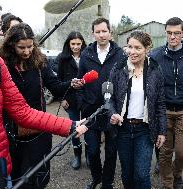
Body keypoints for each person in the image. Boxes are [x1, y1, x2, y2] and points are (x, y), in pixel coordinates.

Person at [0, 1, 87, 189]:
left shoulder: (9, 64)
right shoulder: (2, 64)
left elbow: (32, 103)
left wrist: (71, 87)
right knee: (18, 177)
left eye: (30, 47)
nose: (27, 51)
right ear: (11, 45)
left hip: (37, 130)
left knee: (38, 176)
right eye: (22, 47)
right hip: (12, 135)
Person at [109, 30, 166, 189]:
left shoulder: (155, 69)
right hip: (123, 129)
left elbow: (160, 102)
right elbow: (108, 97)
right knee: (127, 173)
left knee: (141, 174)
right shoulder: (118, 68)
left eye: (137, 48)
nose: (132, 52)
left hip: (145, 130)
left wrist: (162, 130)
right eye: (129, 47)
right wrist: (113, 112)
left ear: (147, 48)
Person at [150, 17, 183, 189]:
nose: (173, 37)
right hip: (163, 111)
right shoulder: (155, 56)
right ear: (166, 32)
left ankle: (176, 173)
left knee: (181, 153)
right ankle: (168, 183)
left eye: (177, 33)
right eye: (169, 33)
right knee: (164, 152)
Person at [77, 17, 127, 189]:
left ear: (110, 32)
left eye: (104, 31)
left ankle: (107, 182)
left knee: (112, 151)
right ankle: (96, 178)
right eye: (97, 32)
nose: (101, 35)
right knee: (92, 151)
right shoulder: (86, 54)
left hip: (112, 110)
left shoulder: (120, 54)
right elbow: (80, 81)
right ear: (93, 34)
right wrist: (82, 103)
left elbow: (124, 81)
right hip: (91, 110)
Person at [56, 31, 89, 170]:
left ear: (82, 43)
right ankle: (77, 155)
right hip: (70, 100)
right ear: (68, 44)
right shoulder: (62, 59)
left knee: (87, 126)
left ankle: (89, 155)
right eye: (73, 44)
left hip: (87, 98)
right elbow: (56, 81)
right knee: (74, 128)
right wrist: (61, 99)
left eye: (78, 44)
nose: (76, 47)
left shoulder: (88, 56)